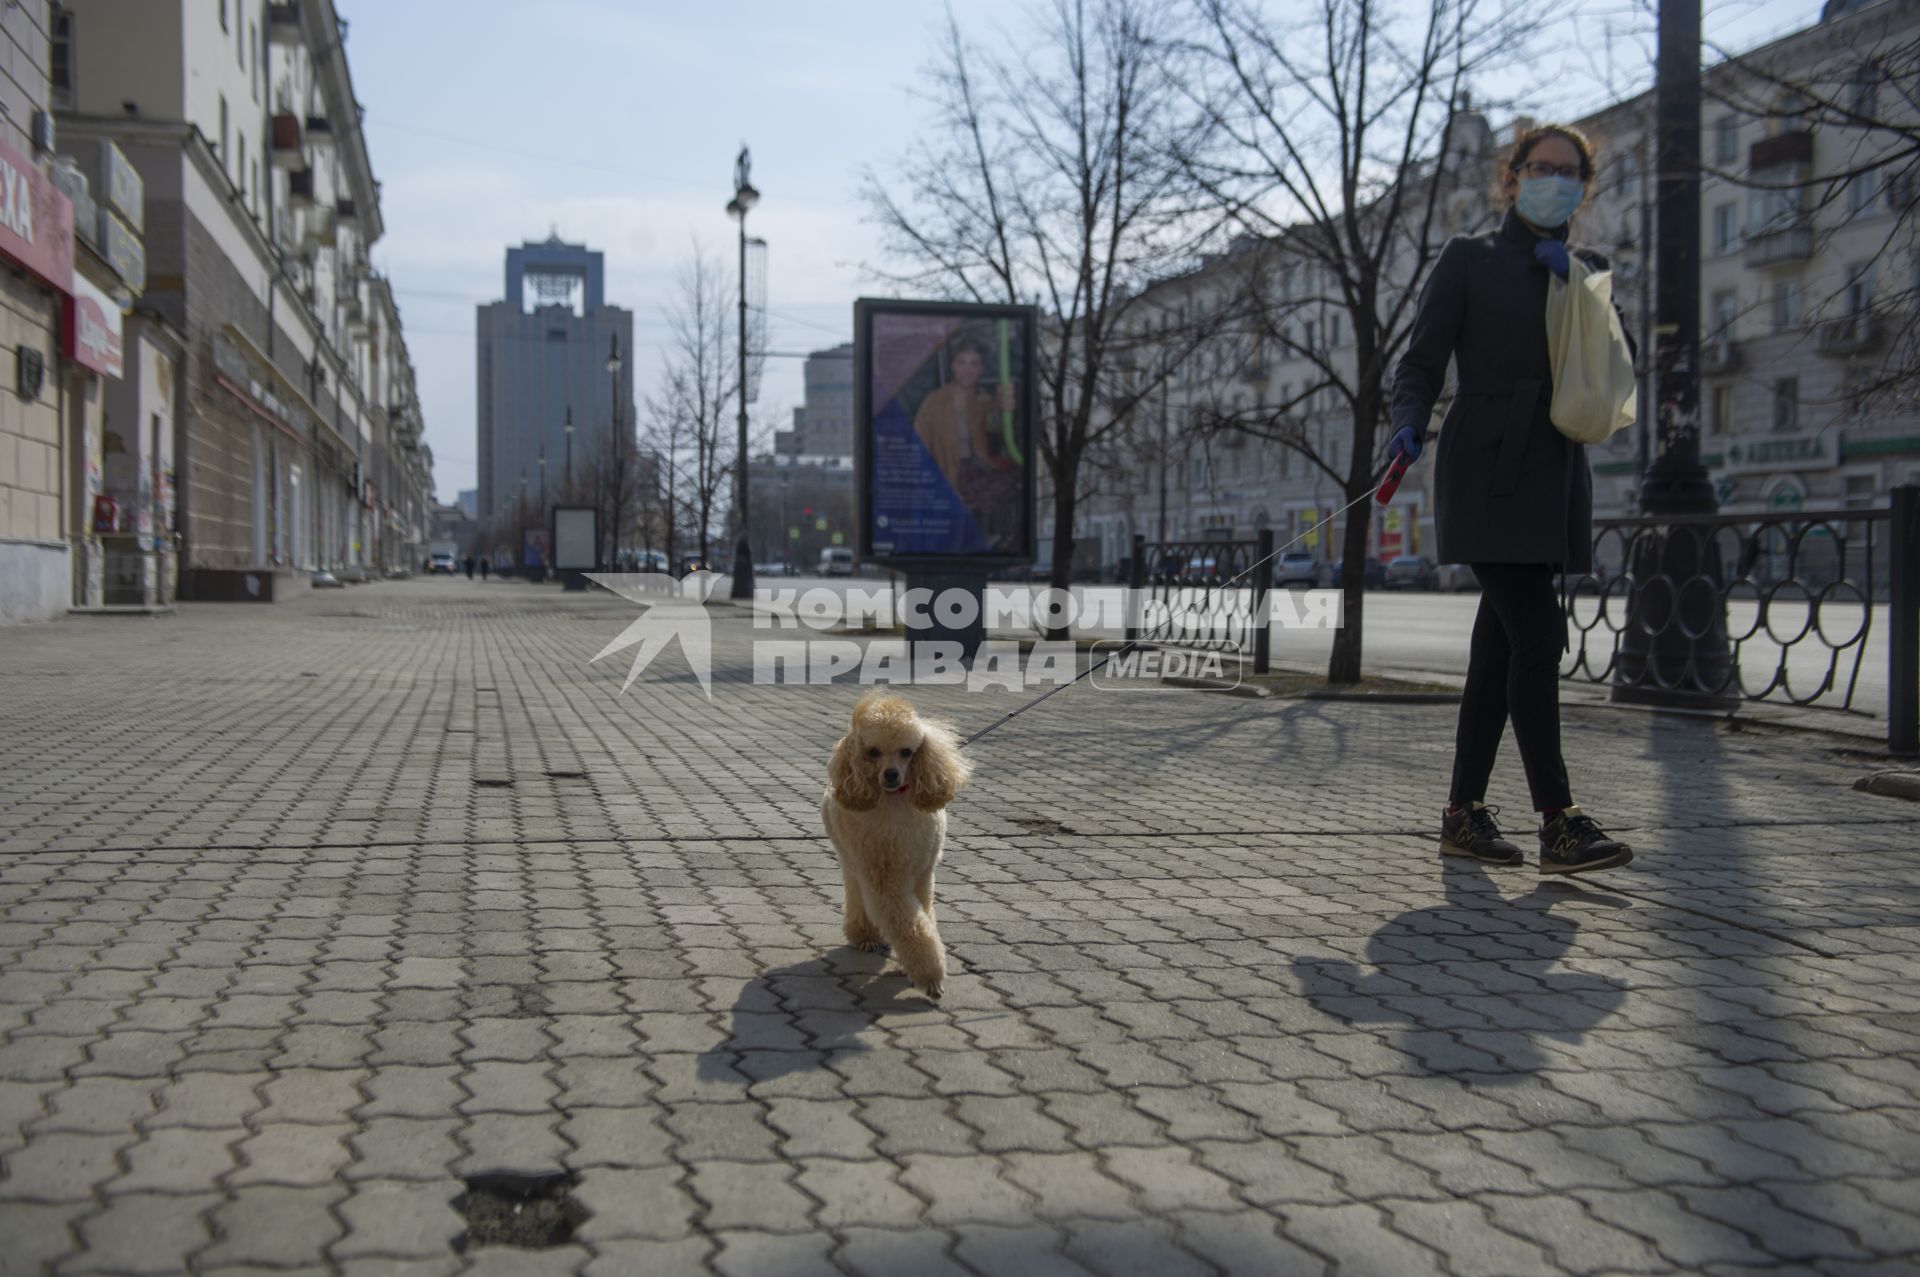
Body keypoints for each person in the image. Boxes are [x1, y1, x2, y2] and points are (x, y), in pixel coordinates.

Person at [1388, 123, 1633, 876]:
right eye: (1539, 167)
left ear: (1583, 188)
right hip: (1485, 463)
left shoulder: (1590, 269)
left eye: (1567, 172)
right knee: (1540, 634)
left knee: (1498, 653)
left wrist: (1577, 290)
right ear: (1512, 176)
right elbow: (1422, 359)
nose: (1552, 180)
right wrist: (1406, 421)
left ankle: (1463, 814)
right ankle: (1558, 819)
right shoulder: (1468, 258)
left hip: (1553, 468)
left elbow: (1614, 368)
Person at [912, 339, 1020, 550]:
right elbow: (919, 443)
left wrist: (1002, 410)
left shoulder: (984, 400)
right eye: (962, 362)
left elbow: (995, 430)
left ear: (981, 369)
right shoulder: (933, 401)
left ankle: (993, 539)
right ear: (953, 365)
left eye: (974, 364)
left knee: (1011, 487)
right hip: (945, 472)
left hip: (977, 470)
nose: (967, 370)